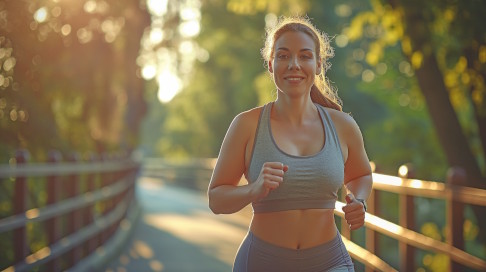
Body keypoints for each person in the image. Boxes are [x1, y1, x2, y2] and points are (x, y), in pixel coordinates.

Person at [207, 15, 373, 272]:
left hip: (330, 262)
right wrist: (254, 190)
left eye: (305, 56)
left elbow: (361, 174)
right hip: (263, 262)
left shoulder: (343, 125)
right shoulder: (247, 125)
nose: (294, 64)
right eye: (283, 56)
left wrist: (359, 200)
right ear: (271, 64)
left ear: (318, 64)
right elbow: (217, 199)